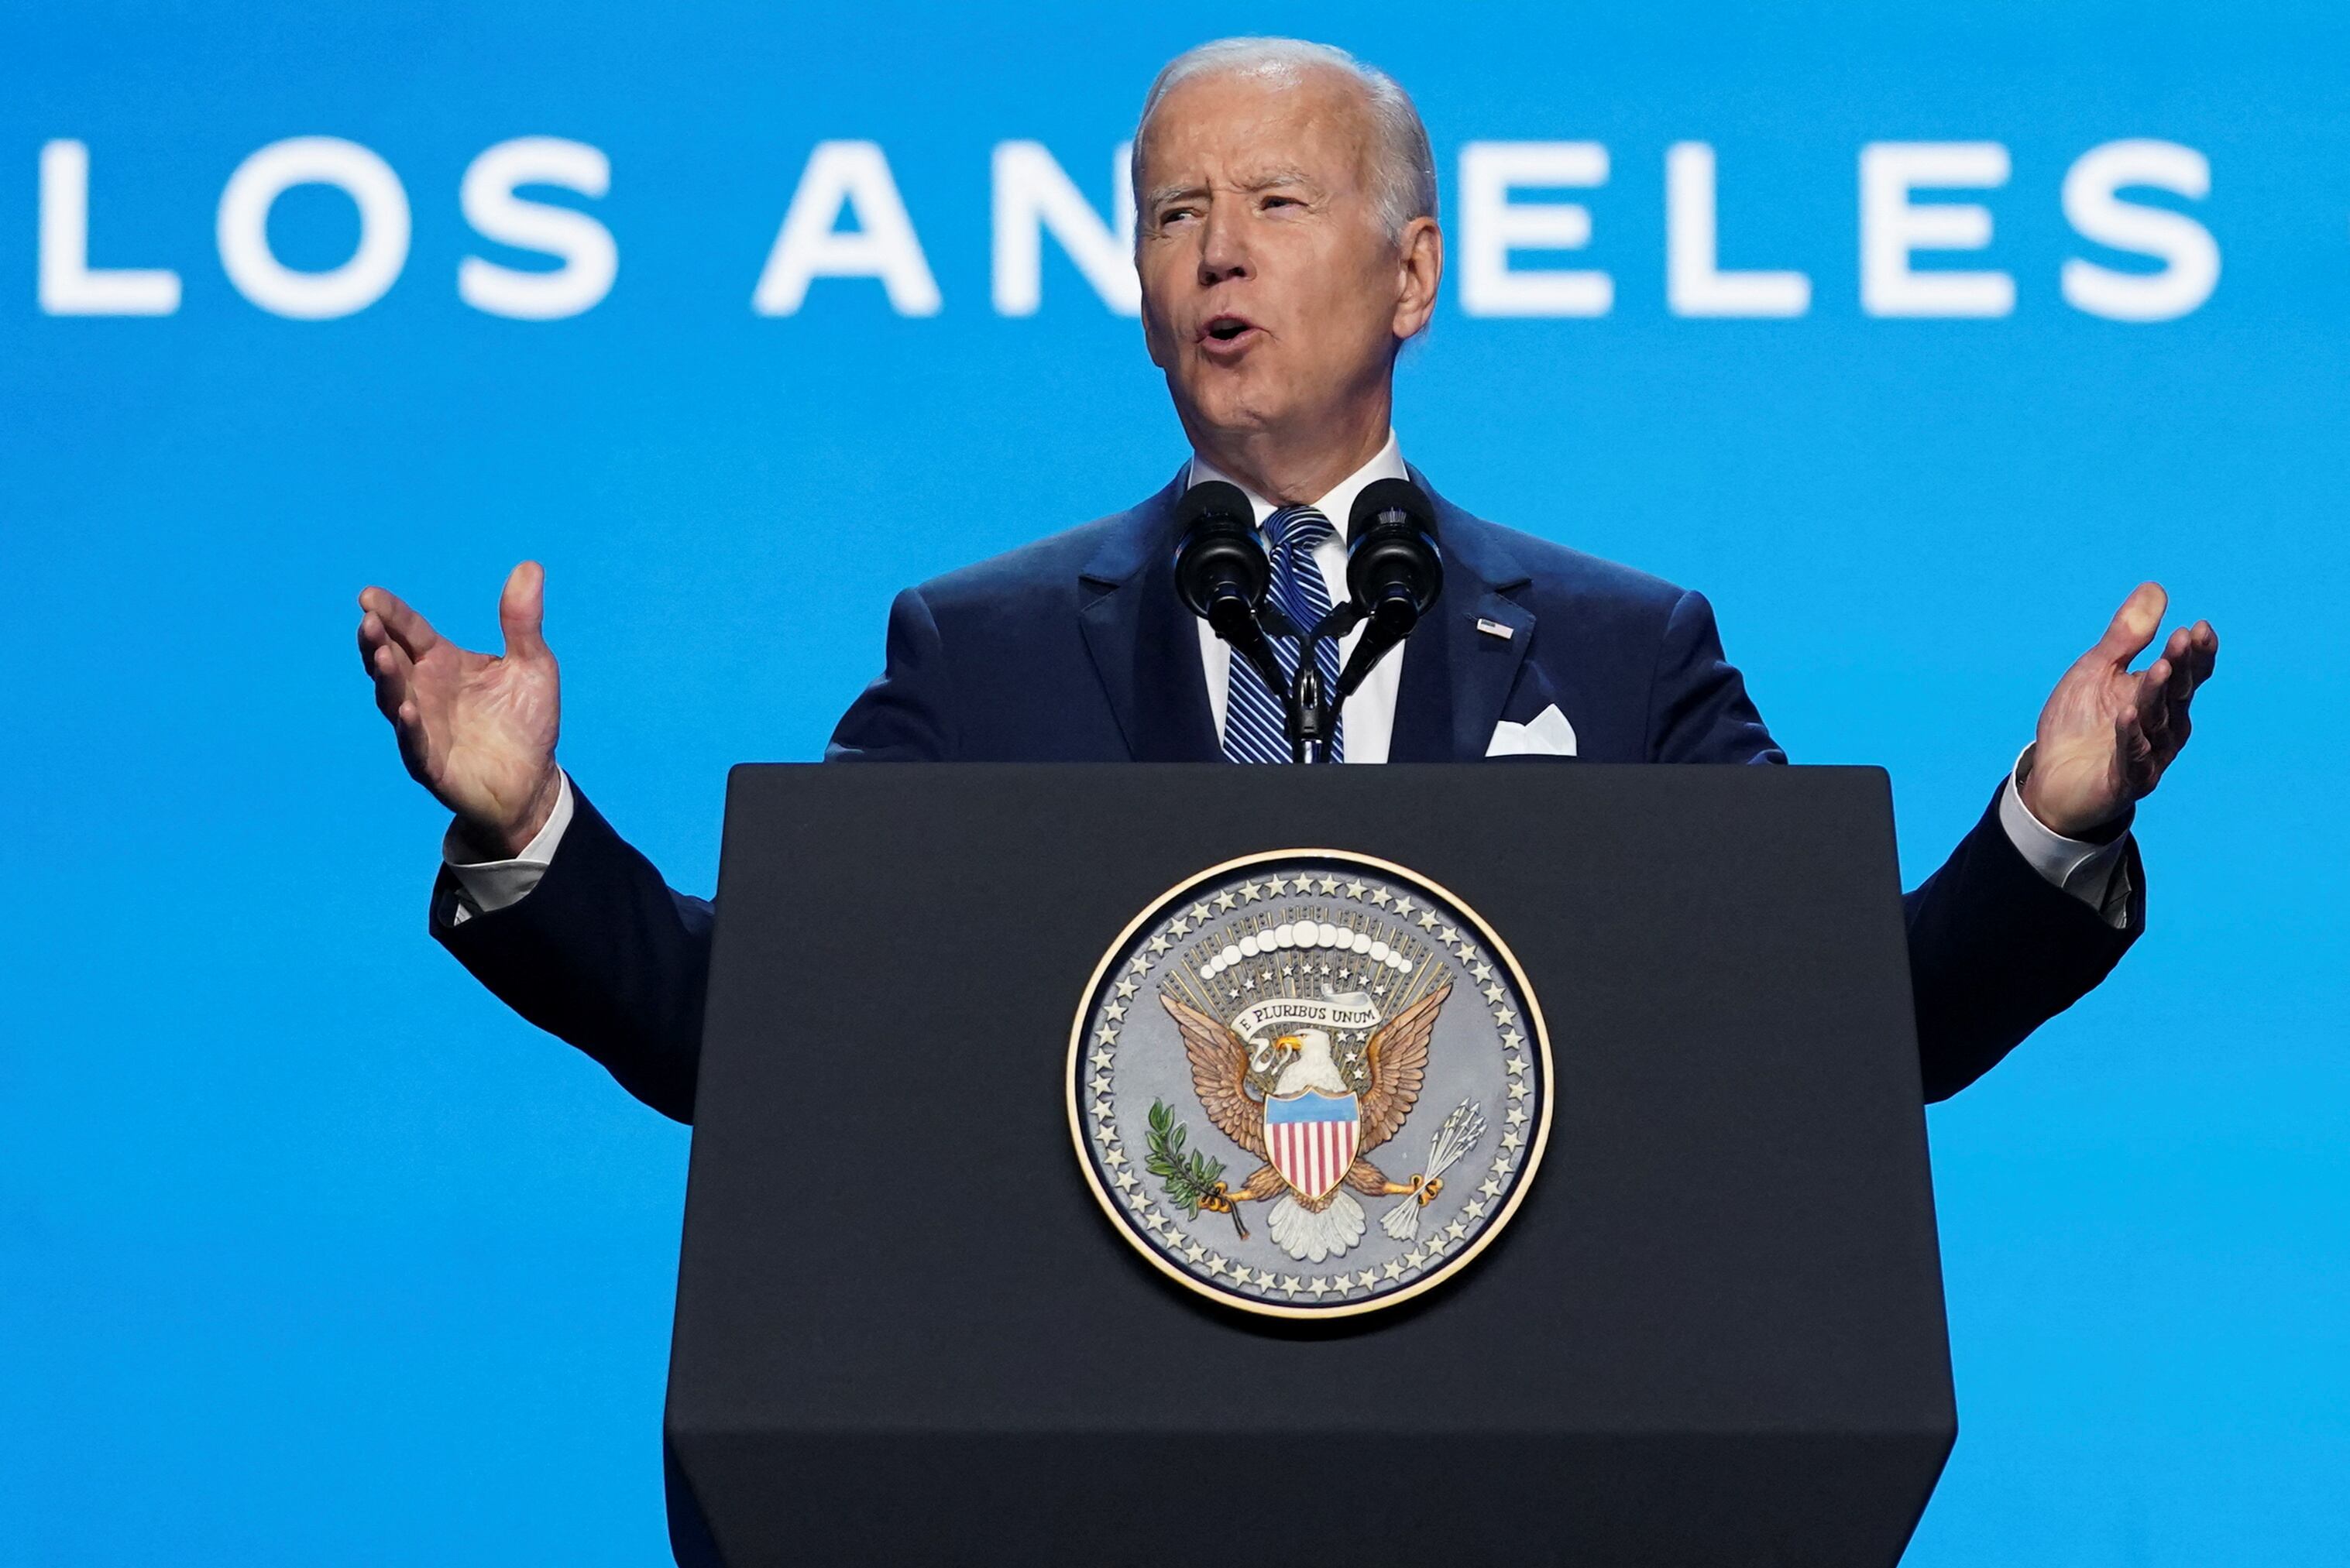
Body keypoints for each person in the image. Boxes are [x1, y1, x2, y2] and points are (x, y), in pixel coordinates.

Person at [356, 37, 2217, 1125]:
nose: (1211, 253)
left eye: (1271, 205)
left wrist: (2042, 829)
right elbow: (756, 1029)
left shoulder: (1620, 649)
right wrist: (534, 831)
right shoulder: (981, 649)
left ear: (1411, 276)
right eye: (1173, 213)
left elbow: (1829, 1037)